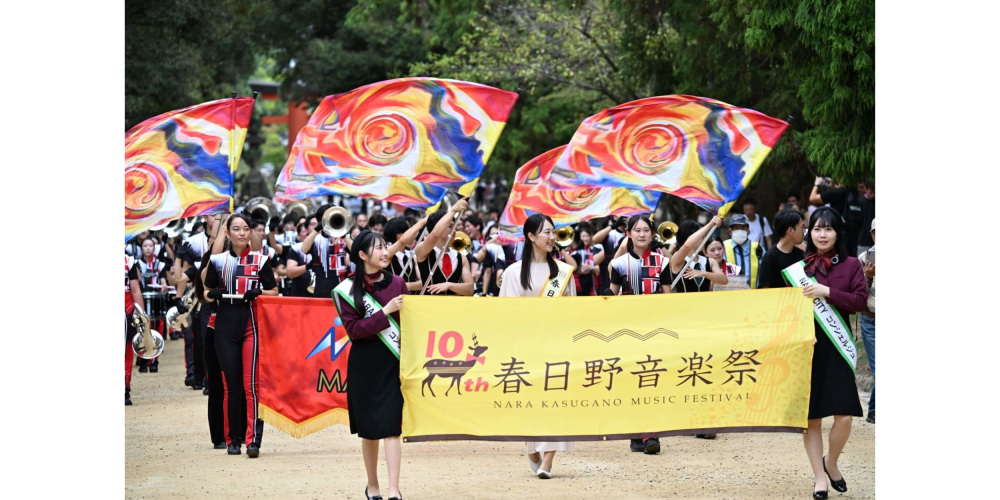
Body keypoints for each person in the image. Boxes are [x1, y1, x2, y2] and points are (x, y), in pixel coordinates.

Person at [795, 207, 868, 499]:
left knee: (845, 416)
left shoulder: (851, 265)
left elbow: (860, 302)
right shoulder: (799, 267)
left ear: (837, 232)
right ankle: (819, 478)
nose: (822, 234)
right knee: (811, 418)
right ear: (809, 232)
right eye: (816, 228)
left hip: (838, 348)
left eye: (828, 229)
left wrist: (826, 291)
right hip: (806, 348)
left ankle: (831, 462)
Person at [332, 230, 408, 500]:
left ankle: (393, 489)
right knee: (370, 430)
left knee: (391, 426)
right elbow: (354, 330)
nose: (385, 251)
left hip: (392, 362)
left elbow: (409, 324)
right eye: (378, 248)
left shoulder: (398, 282)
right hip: (365, 364)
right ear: (362, 255)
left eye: (385, 246)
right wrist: (384, 311)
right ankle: (373, 485)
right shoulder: (347, 289)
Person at [499, 214, 576, 479]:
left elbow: (571, 311)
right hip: (526, 348)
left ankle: (549, 459)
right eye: (547, 232)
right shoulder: (512, 273)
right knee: (529, 402)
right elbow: (506, 315)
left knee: (557, 400)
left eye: (554, 232)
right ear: (531, 236)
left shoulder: (563, 274)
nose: (552, 238)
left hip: (556, 346)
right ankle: (531, 447)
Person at [202, 213, 279, 458]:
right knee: (231, 387)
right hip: (224, 326)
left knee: (252, 386)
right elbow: (204, 293)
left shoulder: (260, 259)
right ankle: (233, 439)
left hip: (251, 327)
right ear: (228, 233)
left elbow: (274, 292)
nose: (242, 233)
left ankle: (253, 440)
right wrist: (212, 293)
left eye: (246, 228)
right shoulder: (217, 261)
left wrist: (259, 292)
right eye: (236, 229)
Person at [415, 199, 474, 295]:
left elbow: (470, 289)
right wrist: (453, 210)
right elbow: (434, 235)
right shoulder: (422, 250)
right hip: (428, 307)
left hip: (454, 308)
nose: (454, 230)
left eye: (454, 226)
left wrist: (449, 285)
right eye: (450, 226)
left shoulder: (461, 257)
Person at [662, 220, 727, 294]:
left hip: (706, 304)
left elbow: (724, 280)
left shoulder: (710, 261)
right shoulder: (678, 258)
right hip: (684, 304)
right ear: (689, 237)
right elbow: (687, 246)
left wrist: (704, 273)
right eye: (702, 236)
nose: (705, 240)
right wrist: (710, 224)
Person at [808, 177, 862, 257]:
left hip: (840, 233)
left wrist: (817, 184)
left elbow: (812, 198)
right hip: (854, 235)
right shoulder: (853, 191)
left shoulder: (837, 192)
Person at [757, 210, 807, 289]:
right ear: (791, 230)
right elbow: (764, 290)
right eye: (802, 227)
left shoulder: (802, 255)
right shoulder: (770, 258)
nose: (804, 231)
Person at [858, 219, 876, 424]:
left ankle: (873, 411)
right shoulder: (864, 258)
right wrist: (868, 276)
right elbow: (858, 294)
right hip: (871, 319)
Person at [722, 214, 763, 289]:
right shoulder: (723, 247)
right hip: (731, 294)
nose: (739, 231)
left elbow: (765, 273)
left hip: (755, 294)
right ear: (730, 232)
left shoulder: (758, 248)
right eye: (736, 228)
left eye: (743, 228)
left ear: (748, 231)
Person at [125, 255, 143, 405]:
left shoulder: (128, 261)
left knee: (126, 349)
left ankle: (125, 388)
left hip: (126, 310)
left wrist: (142, 316)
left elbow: (135, 289)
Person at [570, 227, 605, 296]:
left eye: (587, 236)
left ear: (590, 237)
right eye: (583, 236)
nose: (585, 239)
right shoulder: (575, 252)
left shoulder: (597, 249)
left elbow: (601, 268)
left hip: (596, 284)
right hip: (581, 285)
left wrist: (589, 268)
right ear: (580, 237)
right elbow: (575, 268)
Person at [857, 180, 875, 256]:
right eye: (871, 192)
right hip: (863, 240)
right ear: (866, 189)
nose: (873, 195)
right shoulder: (859, 201)